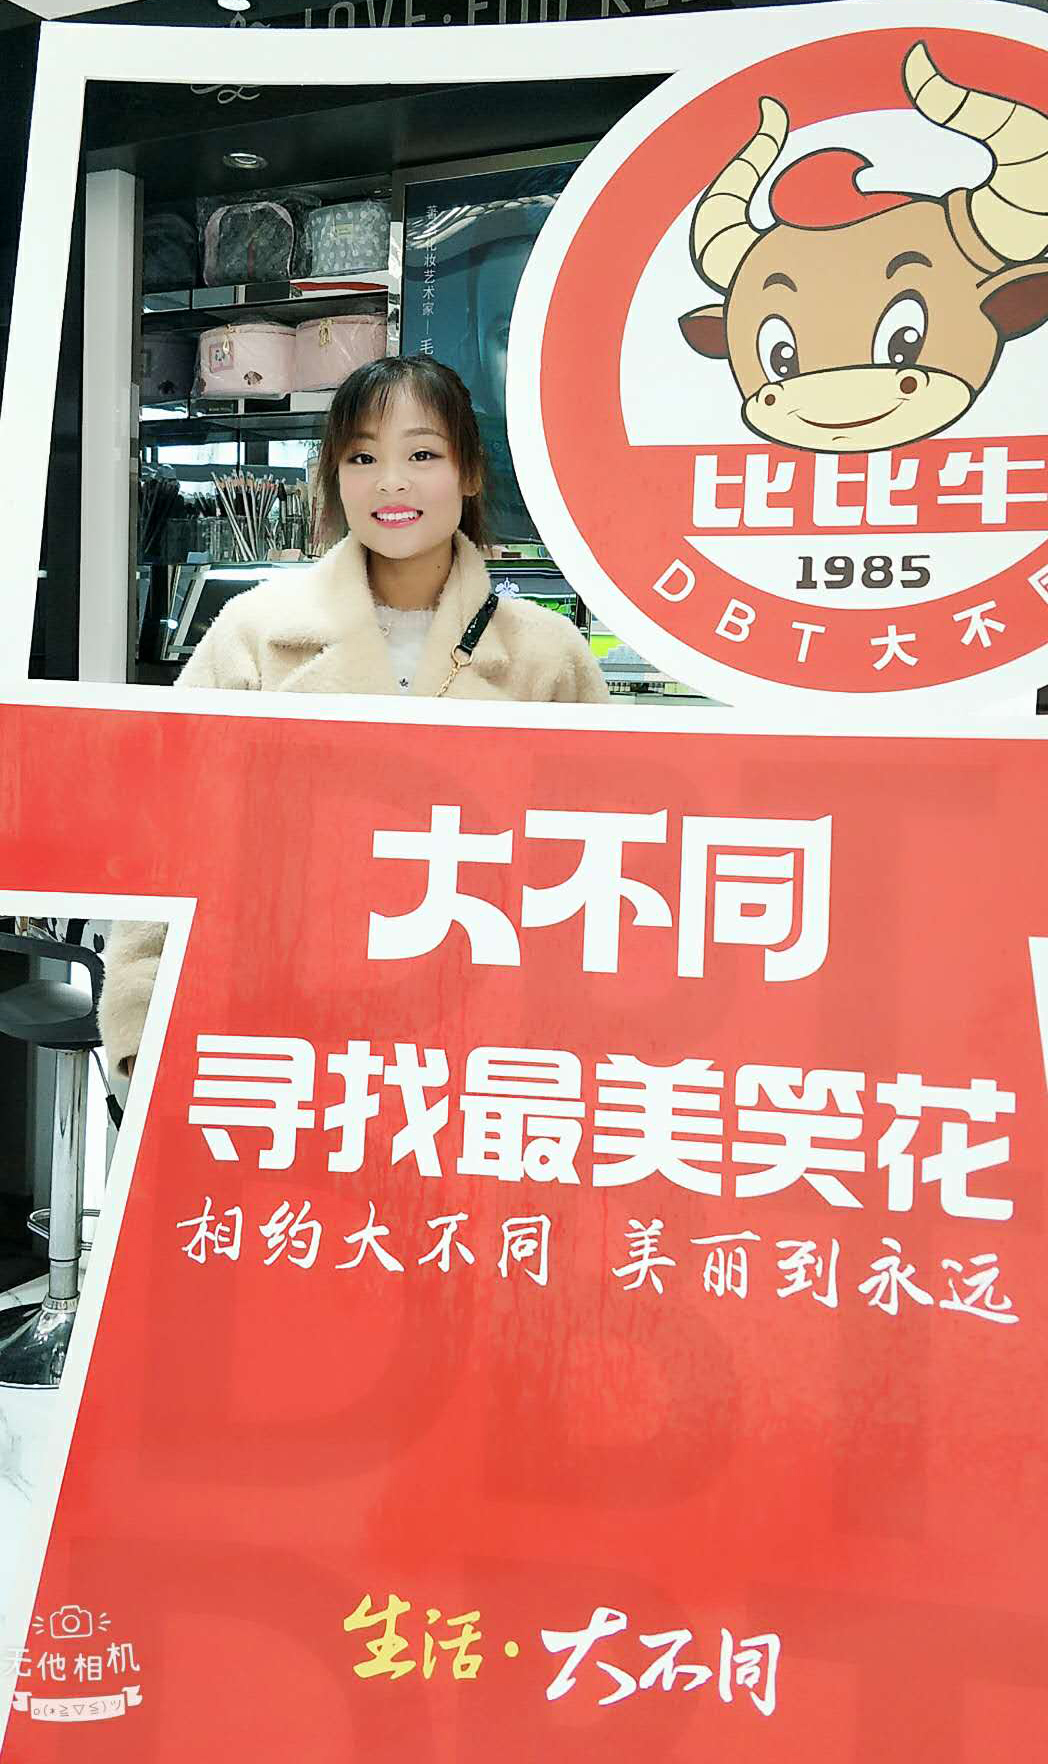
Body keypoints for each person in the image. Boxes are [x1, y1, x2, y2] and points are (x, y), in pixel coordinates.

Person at [99, 353, 609, 1077]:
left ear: (469, 472)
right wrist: (143, 1026)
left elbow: (601, 872)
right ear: (335, 476)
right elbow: (171, 833)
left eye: (422, 454)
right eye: (362, 457)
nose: (391, 481)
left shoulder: (547, 655)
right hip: (278, 1033)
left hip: (481, 1047)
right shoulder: (255, 634)